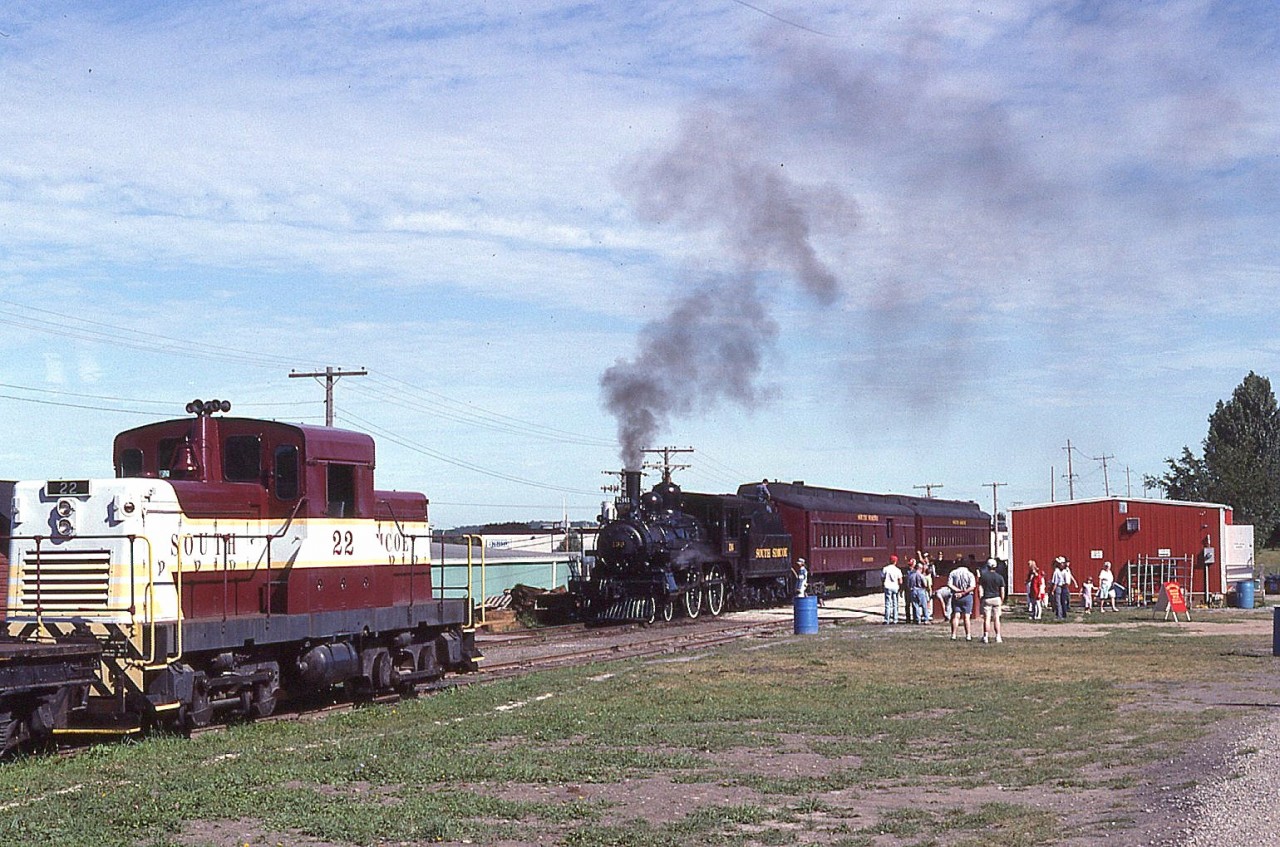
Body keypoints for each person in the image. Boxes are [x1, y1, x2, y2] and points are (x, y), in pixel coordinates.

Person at [947, 560, 978, 641]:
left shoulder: (953, 573)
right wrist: (963, 592)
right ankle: (968, 635)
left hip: (956, 596)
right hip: (967, 596)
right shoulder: (970, 574)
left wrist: (958, 591)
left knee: (956, 615)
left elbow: (949, 584)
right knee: (966, 616)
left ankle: (953, 635)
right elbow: (972, 587)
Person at [979, 558, 1006, 643]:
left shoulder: (984, 576)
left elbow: (980, 588)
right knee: (996, 618)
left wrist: (981, 597)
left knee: (987, 618)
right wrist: (1001, 599)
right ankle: (998, 636)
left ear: (987, 566)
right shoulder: (999, 577)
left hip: (987, 598)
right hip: (996, 598)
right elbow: (1002, 590)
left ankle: (986, 636)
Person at [882, 554, 903, 624]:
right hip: (895, 587)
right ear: (896, 562)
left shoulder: (885, 569)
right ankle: (895, 619)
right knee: (895, 603)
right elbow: (900, 581)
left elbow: (882, 578)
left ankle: (886, 619)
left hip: (887, 586)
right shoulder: (898, 570)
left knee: (887, 603)